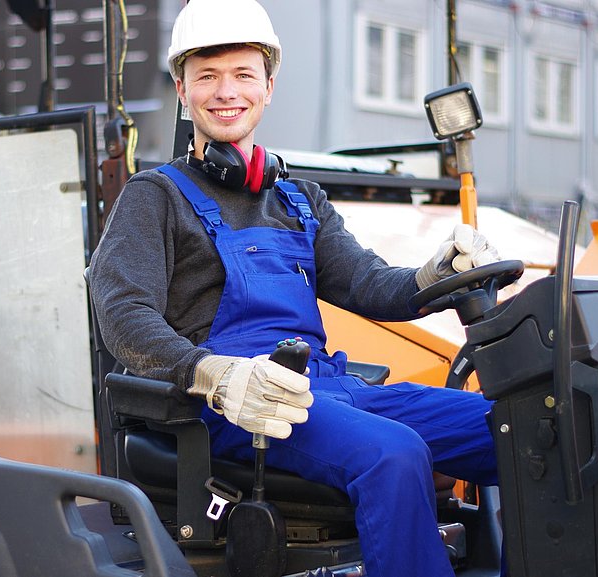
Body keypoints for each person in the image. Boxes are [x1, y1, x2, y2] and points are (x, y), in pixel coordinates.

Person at [89, 1, 501, 575]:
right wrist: (214, 374)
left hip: (329, 389)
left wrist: (435, 275)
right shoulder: (154, 196)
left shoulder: (299, 200)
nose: (225, 91)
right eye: (207, 76)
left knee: (516, 425)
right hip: (239, 408)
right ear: (182, 89)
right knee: (393, 454)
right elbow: (123, 315)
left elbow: (367, 283)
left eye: (242, 74)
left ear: (268, 86)